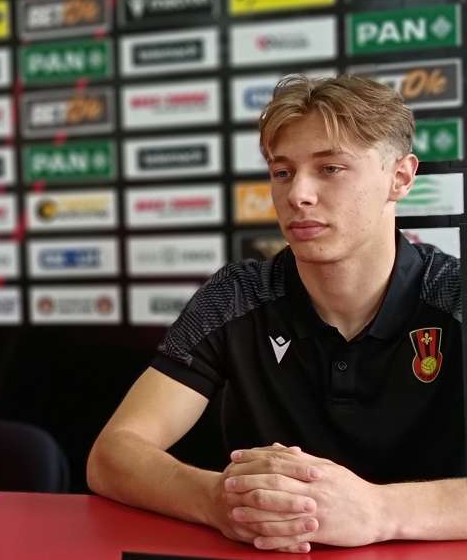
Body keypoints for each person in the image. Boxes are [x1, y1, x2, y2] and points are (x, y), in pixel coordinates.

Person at [87, 74, 466, 553]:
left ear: (401, 178)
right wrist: (217, 500)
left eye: (330, 168)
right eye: (282, 172)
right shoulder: (236, 294)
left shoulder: (454, 293)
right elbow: (112, 454)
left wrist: (377, 511)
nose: (297, 194)